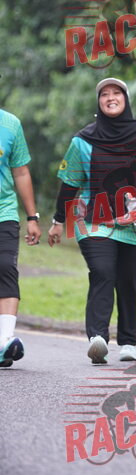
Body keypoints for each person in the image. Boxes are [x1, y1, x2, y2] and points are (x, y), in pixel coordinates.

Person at [48, 78, 136, 364]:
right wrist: (58, 220)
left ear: (126, 99)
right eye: (104, 94)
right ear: (99, 102)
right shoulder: (83, 140)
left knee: (129, 280)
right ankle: (98, 339)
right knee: (102, 271)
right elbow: (70, 183)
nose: (110, 97)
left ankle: (128, 341)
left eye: (116, 92)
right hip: (94, 221)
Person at [0, 107, 41, 367]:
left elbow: (21, 172)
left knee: (6, 267)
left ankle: (4, 341)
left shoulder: (10, 123)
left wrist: (32, 217)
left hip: (3, 212)